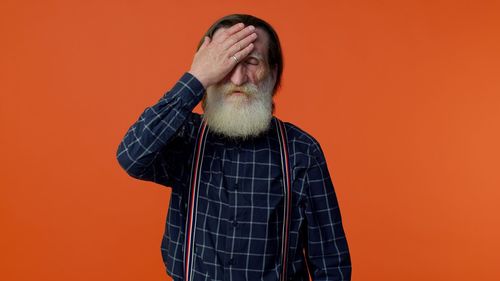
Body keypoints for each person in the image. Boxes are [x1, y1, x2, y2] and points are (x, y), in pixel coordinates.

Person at [116, 14, 351, 281]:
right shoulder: (186, 136)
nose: (238, 79)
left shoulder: (302, 151)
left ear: (273, 73)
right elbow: (131, 155)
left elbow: (331, 263)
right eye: (225, 62)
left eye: (251, 62)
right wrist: (195, 78)